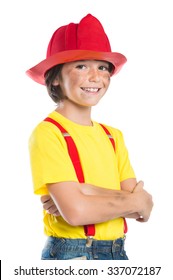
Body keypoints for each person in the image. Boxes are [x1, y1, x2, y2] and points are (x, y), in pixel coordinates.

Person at [27, 14, 153, 260]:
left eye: (102, 67)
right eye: (81, 66)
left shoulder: (113, 136)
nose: (95, 77)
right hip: (73, 254)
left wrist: (86, 191)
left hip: (118, 251)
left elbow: (144, 209)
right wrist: (130, 200)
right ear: (55, 80)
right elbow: (76, 213)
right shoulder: (49, 132)